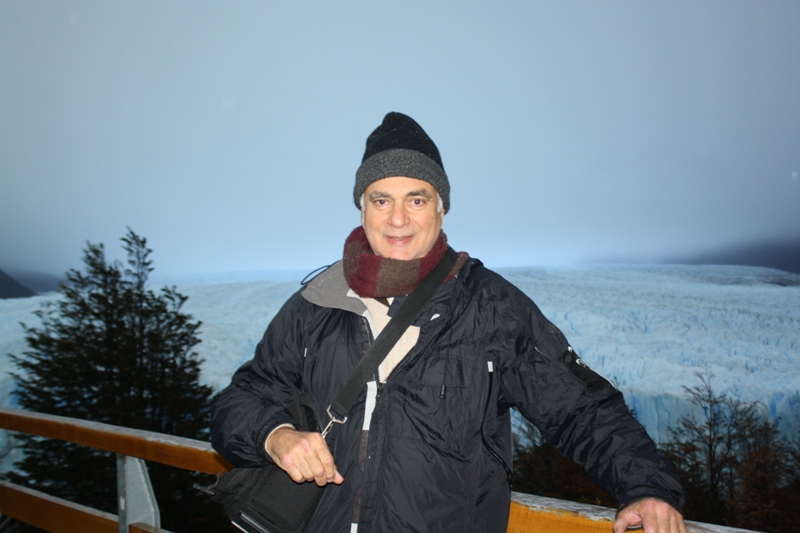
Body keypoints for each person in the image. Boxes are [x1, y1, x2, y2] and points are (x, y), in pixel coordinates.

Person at [211, 112, 687, 533]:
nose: (398, 218)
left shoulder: (491, 307)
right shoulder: (318, 303)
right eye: (381, 200)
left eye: (416, 199)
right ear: (362, 207)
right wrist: (275, 435)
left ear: (442, 208)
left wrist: (647, 487)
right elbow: (239, 401)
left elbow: (581, 409)